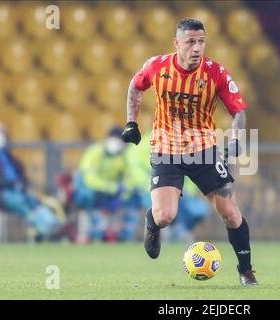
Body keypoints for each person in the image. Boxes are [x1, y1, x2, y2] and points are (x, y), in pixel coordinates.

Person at [121, 18, 258, 285]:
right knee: (165, 216)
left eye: (201, 42)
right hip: (166, 148)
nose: (197, 48)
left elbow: (238, 110)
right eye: (191, 42)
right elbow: (136, 86)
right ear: (177, 44)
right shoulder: (157, 66)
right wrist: (131, 122)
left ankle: (246, 269)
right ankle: (152, 219)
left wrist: (238, 138)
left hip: (203, 149)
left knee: (230, 212)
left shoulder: (215, 73)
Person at [0, 120, 60, 240]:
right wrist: (10, 183)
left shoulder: (6, 153)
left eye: (2, 131)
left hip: (15, 191)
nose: (0, 134)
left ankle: (51, 223)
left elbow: (20, 173)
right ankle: (43, 226)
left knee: (32, 199)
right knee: (17, 200)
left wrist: (22, 183)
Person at [74, 127, 143, 242]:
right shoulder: (95, 152)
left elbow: (130, 178)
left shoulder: (123, 156)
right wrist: (112, 187)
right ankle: (85, 232)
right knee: (86, 195)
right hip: (94, 191)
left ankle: (122, 232)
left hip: (112, 193)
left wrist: (123, 193)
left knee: (134, 197)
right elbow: (89, 178)